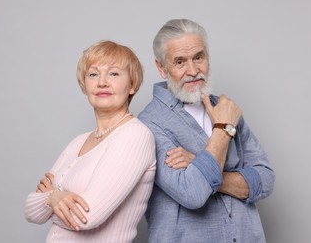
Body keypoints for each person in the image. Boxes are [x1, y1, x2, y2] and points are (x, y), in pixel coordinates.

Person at [138, 19, 275, 243]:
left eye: (199, 57)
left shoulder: (226, 109)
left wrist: (197, 164)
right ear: (162, 67)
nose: (193, 71)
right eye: (180, 62)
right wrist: (222, 130)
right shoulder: (148, 123)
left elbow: (266, 180)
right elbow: (193, 193)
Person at [24, 40, 156, 242]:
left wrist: (50, 197)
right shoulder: (78, 141)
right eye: (93, 74)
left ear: (132, 84)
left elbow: (86, 217)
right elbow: (30, 210)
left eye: (114, 73)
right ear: (84, 85)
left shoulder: (135, 135)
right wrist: (53, 198)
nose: (102, 82)